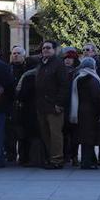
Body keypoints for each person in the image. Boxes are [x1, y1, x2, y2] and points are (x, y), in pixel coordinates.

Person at [36, 41, 69, 169]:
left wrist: (59, 103)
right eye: (43, 48)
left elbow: (64, 86)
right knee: (45, 134)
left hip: (54, 106)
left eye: (48, 48)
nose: (45, 50)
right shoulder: (41, 64)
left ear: (54, 50)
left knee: (55, 134)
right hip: (41, 106)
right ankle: (51, 158)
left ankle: (57, 160)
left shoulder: (59, 65)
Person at [69, 57, 100, 170]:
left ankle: (90, 159)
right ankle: (86, 162)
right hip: (90, 111)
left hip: (79, 110)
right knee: (89, 137)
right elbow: (97, 98)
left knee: (84, 136)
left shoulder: (78, 77)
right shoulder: (93, 79)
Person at [16, 57, 43, 167]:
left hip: (29, 109)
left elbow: (21, 94)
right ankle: (40, 158)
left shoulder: (27, 76)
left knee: (29, 135)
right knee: (39, 134)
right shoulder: (43, 73)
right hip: (42, 107)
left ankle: (30, 158)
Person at [7, 46, 27, 163]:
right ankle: (11, 155)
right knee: (10, 132)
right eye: (13, 53)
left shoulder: (26, 68)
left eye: (18, 53)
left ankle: (23, 155)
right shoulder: (8, 69)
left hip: (23, 104)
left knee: (22, 132)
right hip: (11, 103)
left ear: (23, 55)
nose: (15, 55)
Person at [62, 49, 80, 167]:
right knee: (63, 132)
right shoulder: (60, 72)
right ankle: (65, 155)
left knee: (74, 133)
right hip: (63, 105)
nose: (68, 60)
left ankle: (74, 156)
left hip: (75, 105)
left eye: (70, 58)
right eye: (66, 58)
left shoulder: (78, 73)